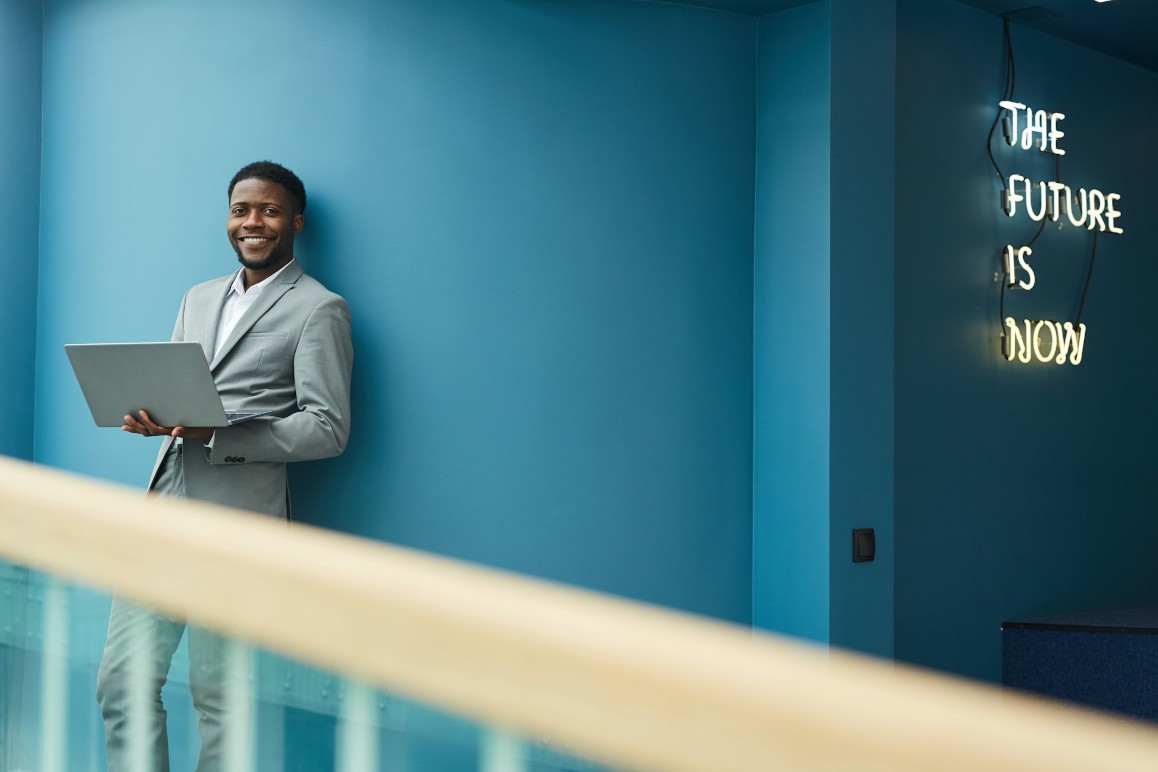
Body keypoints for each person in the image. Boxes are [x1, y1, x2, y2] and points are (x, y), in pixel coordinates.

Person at [95, 161, 354, 771]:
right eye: (241, 210)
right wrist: (152, 417)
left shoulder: (320, 309)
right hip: (163, 512)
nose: (252, 222)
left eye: (267, 210)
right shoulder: (199, 296)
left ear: (295, 222)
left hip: (237, 527)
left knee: (220, 700)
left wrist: (223, 435)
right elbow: (180, 390)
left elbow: (328, 427)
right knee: (120, 683)